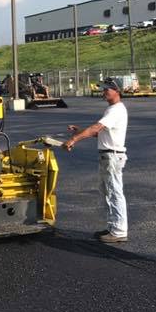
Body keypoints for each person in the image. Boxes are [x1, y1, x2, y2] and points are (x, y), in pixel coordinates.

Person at [64, 78, 128, 243]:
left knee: (114, 192)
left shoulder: (116, 110)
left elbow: (96, 128)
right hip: (108, 156)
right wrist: (79, 131)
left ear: (117, 91)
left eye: (107, 89)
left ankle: (119, 231)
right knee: (107, 192)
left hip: (112, 156)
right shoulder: (111, 110)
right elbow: (100, 134)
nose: (104, 92)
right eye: (103, 89)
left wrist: (74, 139)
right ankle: (113, 227)